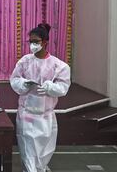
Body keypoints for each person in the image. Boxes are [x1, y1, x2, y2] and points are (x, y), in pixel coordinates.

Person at [10, 23, 71, 172]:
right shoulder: (25, 61)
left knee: (44, 150)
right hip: (27, 114)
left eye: (36, 41)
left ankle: (40, 168)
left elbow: (63, 88)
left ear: (45, 42)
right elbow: (14, 80)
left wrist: (50, 87)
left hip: (45, 115)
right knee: (28, 148)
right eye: (31, 41)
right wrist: (24, 84)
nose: (32, 44)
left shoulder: (59, 66)